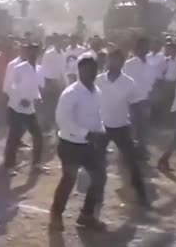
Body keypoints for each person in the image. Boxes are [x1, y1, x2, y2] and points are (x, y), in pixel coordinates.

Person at [50, 53, 107, 232]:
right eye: (89, 69)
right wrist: (85, 133)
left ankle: (86, 215)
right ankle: (56, 215)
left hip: (89, 145)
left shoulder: (97, 92)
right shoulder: (71, 93)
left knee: (99, 177)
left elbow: (97, 117)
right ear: (80, 70)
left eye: (95, 69)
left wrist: (101, 132)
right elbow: (62, 120)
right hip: (70, 144)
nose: (92, 73)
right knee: (69, 179)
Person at [96, 49, 150, 207]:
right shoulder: (98, 80)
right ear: (108, 61)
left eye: (118, 60)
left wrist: (135, 128)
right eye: (112, 60)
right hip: (101, 127)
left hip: (121, 126)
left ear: (122, 63)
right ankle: (95, 198)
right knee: (97, 164)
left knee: (132, 163)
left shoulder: (129, 82)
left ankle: (142, 197)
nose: (115, 63)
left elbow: (136, 105)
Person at [4, 43, 48, 176]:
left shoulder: (40, 69)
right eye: (31, 52)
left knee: (38, 135)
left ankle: (36, 164)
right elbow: (11, 87)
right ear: (27, 53)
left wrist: (38, 98)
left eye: (36, 52)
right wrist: (19, 100)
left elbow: (36, 88)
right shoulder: (19, 68)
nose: (33, 55)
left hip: (30, 109)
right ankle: (9, 166)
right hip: (16, 108)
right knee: (14, 137)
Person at [123, 37, 156, 156]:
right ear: (137, 49)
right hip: (133, 100)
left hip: (146, 99)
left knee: (144, 126)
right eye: (142, 47)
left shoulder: (151, 64)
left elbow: (152, 82)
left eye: (146, 47)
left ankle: (142, 148)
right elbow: (125, 81)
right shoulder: (129, 64)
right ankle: (130, 150)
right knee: (133, 126)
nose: (144, 49)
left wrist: (150, 96)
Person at [39, 34, 66, 133]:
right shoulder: (49, 53)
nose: (60, 43)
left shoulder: (63, 54)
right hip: (50, 83)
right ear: (55, 42)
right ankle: (46, 127)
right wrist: (46, 84)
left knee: (58, 106)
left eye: (62, 41)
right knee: (50, 107)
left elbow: (63, 71)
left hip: (60, 84)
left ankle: (56, 127)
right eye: (58, 41)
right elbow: (44, 68)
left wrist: (65, 84)